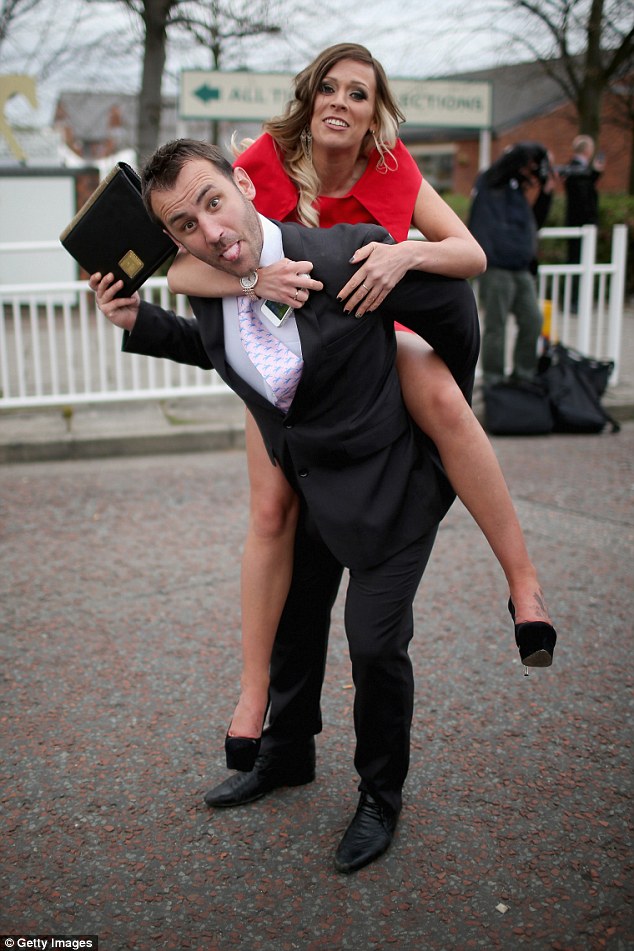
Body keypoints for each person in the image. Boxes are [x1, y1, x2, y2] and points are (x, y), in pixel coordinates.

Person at [90, 139, 557, 874]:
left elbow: (454, 312)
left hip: (387, 496)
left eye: (213, 202)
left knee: (373, 646)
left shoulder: (345, 257)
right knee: (295, 626)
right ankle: (286, 754)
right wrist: (137, 324)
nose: (209, 231)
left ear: (244, 184)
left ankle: (380, 795)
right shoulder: (217, 285)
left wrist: (443, 400)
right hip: (308, 488)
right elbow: (218, 351)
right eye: (184, 225)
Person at [167, 46, 553, 757]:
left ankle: (524, 587)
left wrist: (406, 253)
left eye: (360, 93)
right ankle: (262, 707)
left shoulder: (392, 164)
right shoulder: (262, 161)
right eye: (330, 89)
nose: (342, 102)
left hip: (372, 327)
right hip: (288, 355)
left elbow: (469, 254)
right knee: (272, 510)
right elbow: (184, 264)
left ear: (375, 110)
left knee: (438, 391)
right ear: (311, 98)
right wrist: (253, 285)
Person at [468, 142, 555, 386]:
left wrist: (546, 191)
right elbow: (508, 164)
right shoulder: (489, 181)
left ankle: (523, 377)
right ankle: (494, 381)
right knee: (497, 325)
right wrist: (538, 153)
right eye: (527, 165)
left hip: (520, 267)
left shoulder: (516, 191)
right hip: (496, 266)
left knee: (533, 321)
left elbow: (534, 223)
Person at [561, 134, 604, 308]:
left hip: (578, 223)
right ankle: (574, 301)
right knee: (577, 261)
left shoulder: (577, 170)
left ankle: (576, 299)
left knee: (578, 261)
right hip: (581, 224)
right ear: (588, 150)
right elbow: (584, 197)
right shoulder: (576, 170)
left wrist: (595, 173)